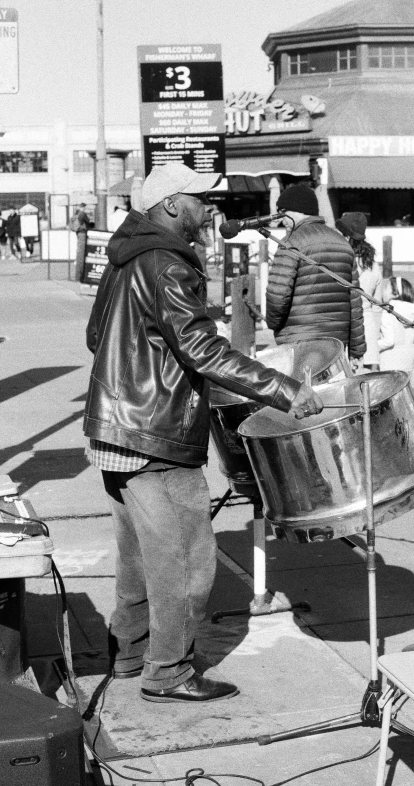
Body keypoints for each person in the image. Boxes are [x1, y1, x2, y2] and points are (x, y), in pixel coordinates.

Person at [83, 162, 323, 704]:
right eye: (201, 201)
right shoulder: (167, 262)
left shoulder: (126, 256)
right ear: (171, 205)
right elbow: (202, 349)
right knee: (187, 558)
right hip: (155, 430)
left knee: (141, 558)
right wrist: (284, 390)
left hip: (117, 428)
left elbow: (97, 333)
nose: (211, 210)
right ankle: (168, 672)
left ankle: (131, 653)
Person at [265, 184, 366, 369]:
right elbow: (355, 301)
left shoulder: (291, 243)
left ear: (295, 210)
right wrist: (357, 349)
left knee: (302, 395)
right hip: (336, 344)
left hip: (299, 343)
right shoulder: (342, 243)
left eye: (282, 213)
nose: (281, 220)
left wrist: (274, 324)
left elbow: (276, 295)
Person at [335, 212, 382, 371]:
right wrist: (375, 336)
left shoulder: (340, 261)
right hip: (368, 326)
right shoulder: (373, 265)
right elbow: (377, 305)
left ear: (346, 236)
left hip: (345, 327)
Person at [378, 276, 414, 393]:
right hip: (408, 363)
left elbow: (389, 341)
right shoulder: (410, 313)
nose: (382, 291)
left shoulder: (389, 312)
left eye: (386, 288)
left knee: (390, 398)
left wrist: (372, 346)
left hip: (390, 364)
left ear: (395, 293)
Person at [72, 203, 91, 282]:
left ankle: (78, 276)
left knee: (79, 254)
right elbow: (88, 223)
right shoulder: (82, 214)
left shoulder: (76, 214)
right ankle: (79, 276)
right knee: (81, 255)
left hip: (78, 233)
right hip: (82, 233)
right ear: (83, 207)